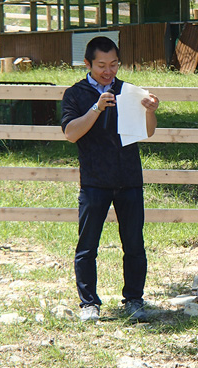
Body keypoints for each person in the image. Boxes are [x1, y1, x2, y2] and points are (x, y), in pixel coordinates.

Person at [61, 36, 160, 322]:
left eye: (114, 64)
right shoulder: (76, 94)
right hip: (94, 180)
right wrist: (96, 107)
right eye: (102, 65)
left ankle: (134, 300)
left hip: (129, 178)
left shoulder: (128, 92)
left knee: (134, 245)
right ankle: (89, 303)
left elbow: (148, 132)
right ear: (87, 64)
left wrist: (151, 112)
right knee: (87, 245)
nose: (109, 71)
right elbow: (71, 133)